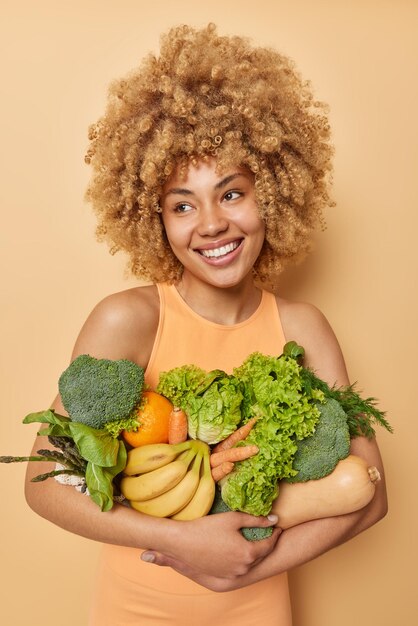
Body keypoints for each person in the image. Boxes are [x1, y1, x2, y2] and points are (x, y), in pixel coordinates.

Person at [24, 23, 387, 625]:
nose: (212, 224)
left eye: (233, 193)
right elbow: (43, 484)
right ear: (154, 220)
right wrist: (182, 542)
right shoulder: (128, 321)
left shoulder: (305, 328)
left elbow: (370, 498)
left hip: (257, 611)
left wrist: (243, 566)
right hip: (132, 611)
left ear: (272, 192)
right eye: (182, 205)